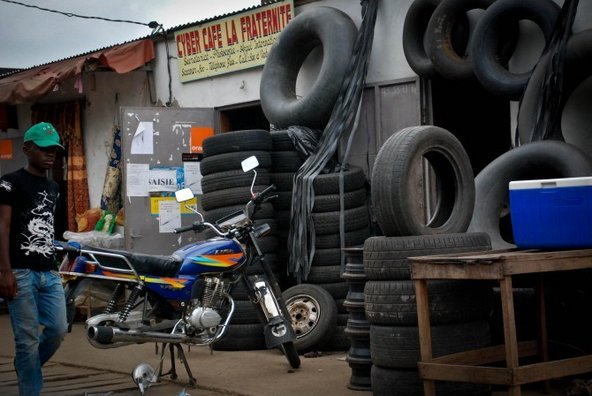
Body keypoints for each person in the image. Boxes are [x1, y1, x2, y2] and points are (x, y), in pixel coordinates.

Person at [0, 122, 68, 396]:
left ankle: (27, 366)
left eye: (54, 150)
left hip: (48, 272)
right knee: (26, 339)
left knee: (58, 329)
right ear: (27, 149)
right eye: (43, 149)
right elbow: (2, 227)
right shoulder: (9, 182)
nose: (50, 154)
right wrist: (5, 271)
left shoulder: (53, 186)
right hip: (20, 272)